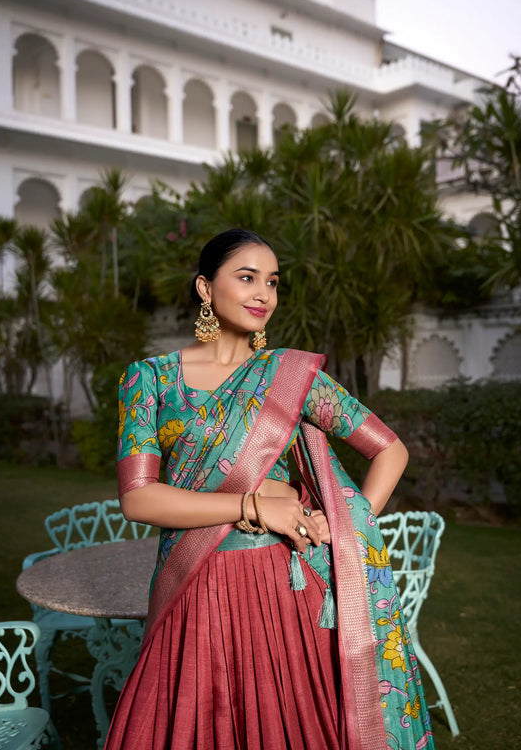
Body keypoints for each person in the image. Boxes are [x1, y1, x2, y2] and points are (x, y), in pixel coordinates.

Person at [104, 228, 435, 750]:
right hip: (197, 587)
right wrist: (255, 506)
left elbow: (390, 450)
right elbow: (138, 498)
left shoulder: (291, 377)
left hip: (285, 588)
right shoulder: (150, 380)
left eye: (273, 282)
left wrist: (340, 524)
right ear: (205, 288)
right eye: (247, 278)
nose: (264, 294)